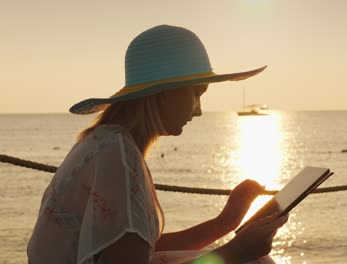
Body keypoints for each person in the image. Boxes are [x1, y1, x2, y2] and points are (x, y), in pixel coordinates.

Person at [27, 25, 288, 264]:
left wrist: (225, 223)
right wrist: (235, 253)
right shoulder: (116, 154)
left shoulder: (108, 142)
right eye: (196, 94)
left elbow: (138, 248)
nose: (198, 110)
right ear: (165, 93)